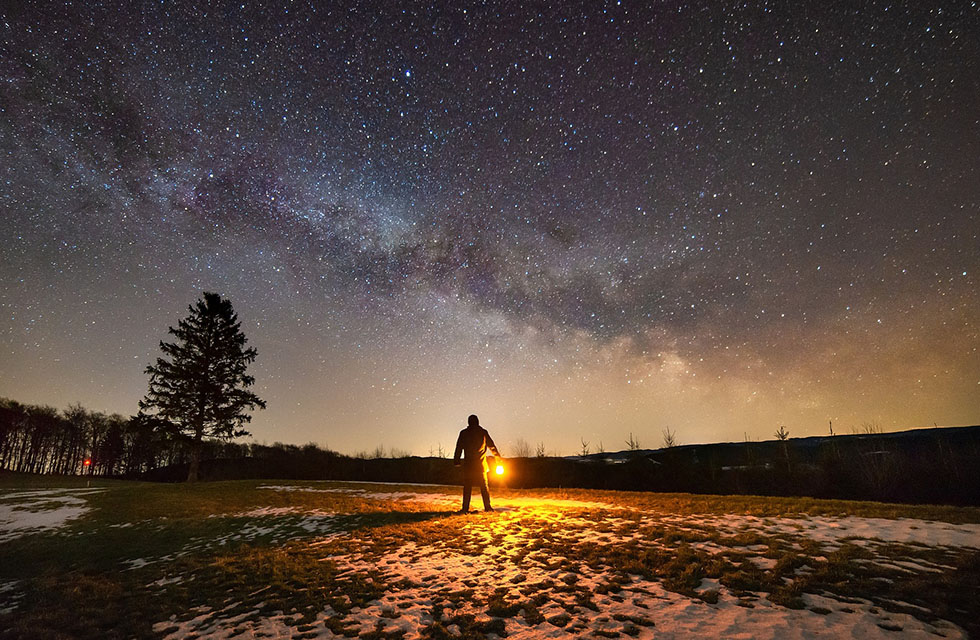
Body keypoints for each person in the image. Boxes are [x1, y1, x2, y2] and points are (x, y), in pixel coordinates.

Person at [453, 414, 502, 513]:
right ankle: (487, 507)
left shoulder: (464, 433)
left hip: (469, 465)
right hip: (480, 465)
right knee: (484, 487)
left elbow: (459, 447)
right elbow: (492, 446)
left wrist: (456, 460)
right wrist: (498, 459)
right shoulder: (483, 433)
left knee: (467, 488)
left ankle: (465, 508)